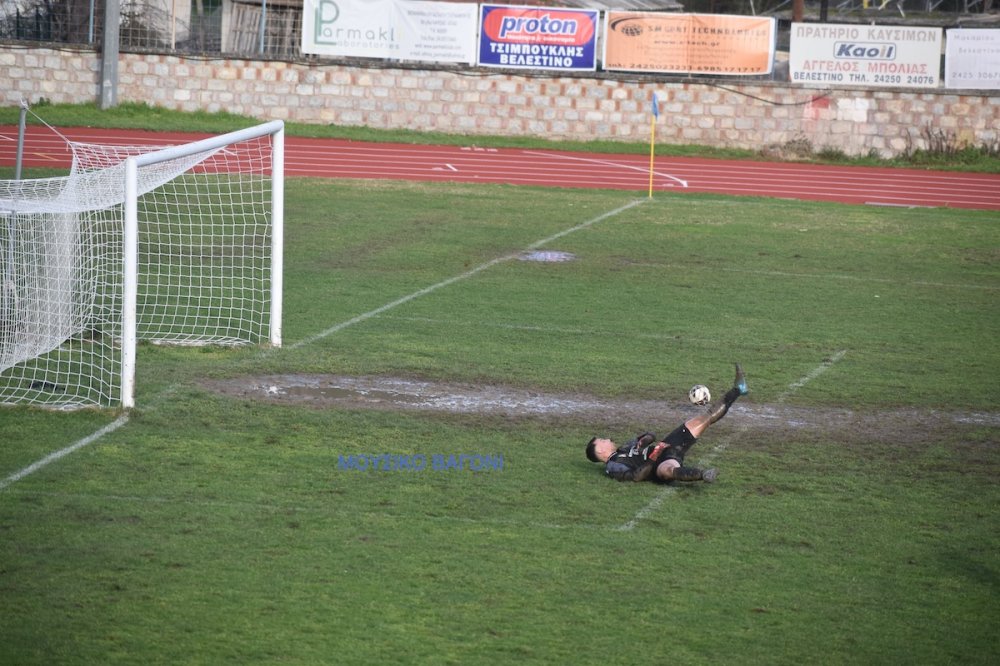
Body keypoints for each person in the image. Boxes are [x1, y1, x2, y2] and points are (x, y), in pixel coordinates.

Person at [585, 363, 749, 484]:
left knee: (704, 418)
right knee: (669, 471)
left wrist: (645, 440)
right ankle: (703, 474)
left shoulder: (624, 448)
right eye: (602, 440)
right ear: (600, 450)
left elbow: (650, 435)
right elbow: (636, 477)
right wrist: (653, 457)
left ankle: (738, 389)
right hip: (658, 465)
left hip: (666, 445)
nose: (607, 439)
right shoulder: (614, 466)